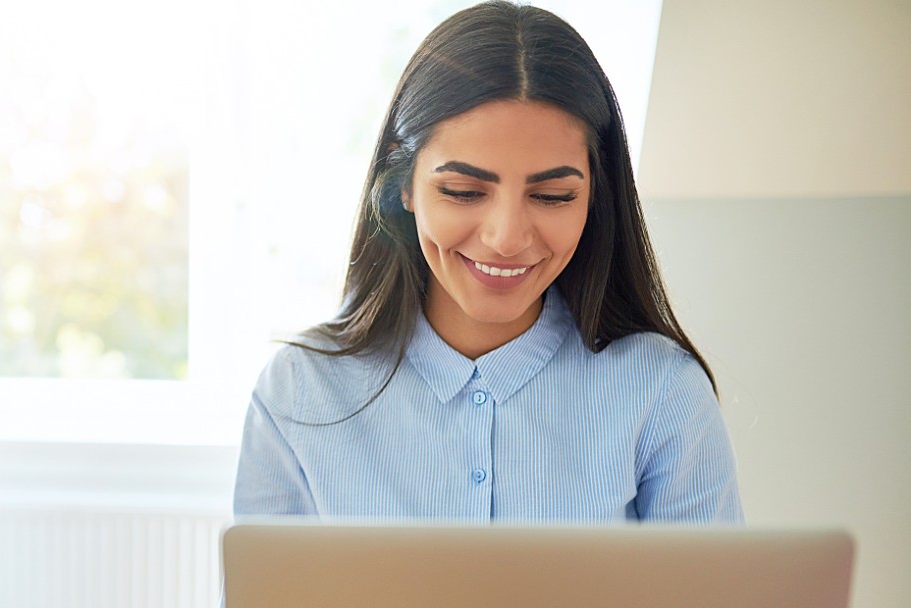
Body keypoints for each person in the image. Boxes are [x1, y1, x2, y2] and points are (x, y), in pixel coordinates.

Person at [232, 1, 743, 523]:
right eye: (463, 190)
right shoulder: (298, 392)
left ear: (596, 196)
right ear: (405, 183)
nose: (505, 238)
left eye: (552, 196)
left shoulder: (662, 392)